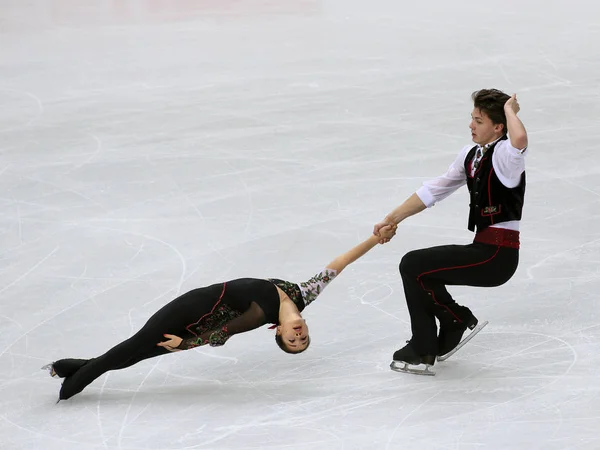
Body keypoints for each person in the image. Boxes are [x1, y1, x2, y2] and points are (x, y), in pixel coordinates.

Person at [45, 224, 398, 400]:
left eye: (292, 343)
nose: (298, 337)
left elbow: (223, 334)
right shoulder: (304, 294)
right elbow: (338, 265)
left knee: (136, 351)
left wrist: (183, 344)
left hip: (190, 323)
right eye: (302, 340)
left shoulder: (260, 317)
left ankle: (70, 380)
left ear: (277, 332)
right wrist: (375, 239)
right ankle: (73, 373)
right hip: (193, 302)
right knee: (134, 346)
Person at [373, 89, 528, 374]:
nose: (471, 125)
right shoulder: (470, 156)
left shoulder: (507, 156)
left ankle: (425, 346)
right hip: (483, 249)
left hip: (497, 255)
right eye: (472, 119)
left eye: (479, 121)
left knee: (413, 264)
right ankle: (455, 320)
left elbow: (519, 140)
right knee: (419, 270)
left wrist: (510, 110)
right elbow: (435, 189)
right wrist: (392, 218)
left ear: (498, 126)